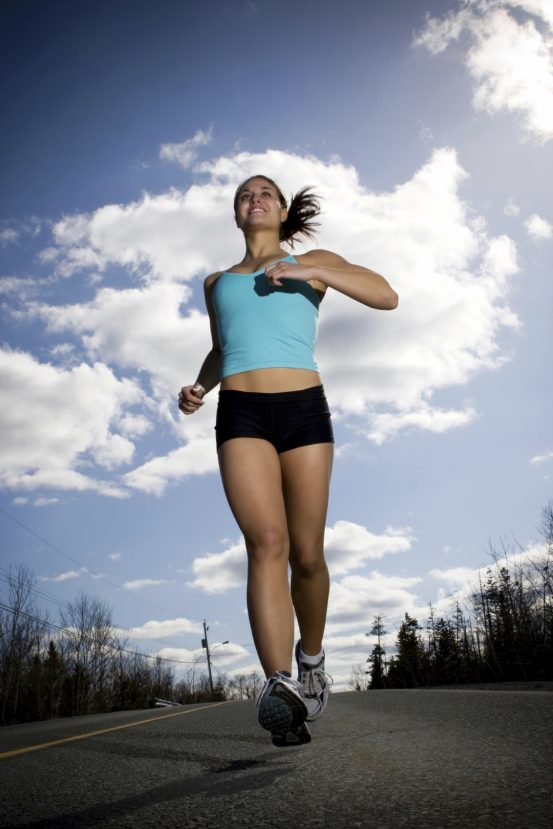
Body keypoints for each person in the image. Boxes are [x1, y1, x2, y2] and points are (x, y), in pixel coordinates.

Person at [179, 175, 398, 746]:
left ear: (281, 210)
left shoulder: (312, 261)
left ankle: (311, 657)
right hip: (242, 413)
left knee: (306, 555)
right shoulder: (216, 282)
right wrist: (200, 387)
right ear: (236, 214)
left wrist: (313, 272)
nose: (256, 199)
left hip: (303, 409)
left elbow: (386, 294)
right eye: (245, 195)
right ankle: (281, 689)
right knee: (266, 543)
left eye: (266, 194)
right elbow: (223, 347)